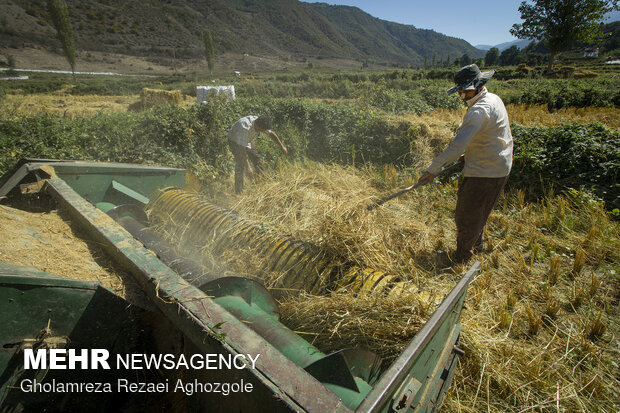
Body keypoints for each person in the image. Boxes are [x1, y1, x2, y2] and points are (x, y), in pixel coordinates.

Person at [417, 64, 513, 264]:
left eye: (465, 91)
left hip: (485, 171)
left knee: (466, 215)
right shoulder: (493, 98)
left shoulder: (478, 110)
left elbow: (456, 147)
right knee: (480, 211)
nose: (462, 96)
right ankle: (476, 245)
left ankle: (461, 258)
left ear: (478, 86)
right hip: (499, 164)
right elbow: (491, 135)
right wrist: (469, 156)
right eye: (460, 92)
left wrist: (432, 170)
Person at [227, 115, 287, 193]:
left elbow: (271, 133)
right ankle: (239, 191)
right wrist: (248, 167)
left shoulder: (260, 122)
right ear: (258, 126)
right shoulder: (244, 127)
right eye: (262, 130)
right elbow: (242, 149)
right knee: (240, 164)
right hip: (235, 141)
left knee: (256, 157)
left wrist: (282, 146)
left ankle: (262, 179)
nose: (263, 131)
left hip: (247, 139)